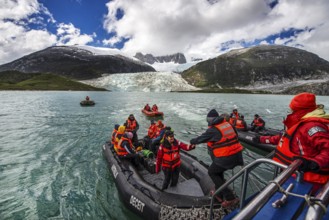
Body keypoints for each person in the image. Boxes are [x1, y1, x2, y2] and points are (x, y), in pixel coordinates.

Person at [257, 92, 329, 186]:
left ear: (300, 110)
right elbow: (284, 137)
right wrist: (262, 139)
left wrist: (314, 162)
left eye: (292, 110)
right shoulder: (299, 123)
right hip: (293, 172)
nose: (290, 111)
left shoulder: (312, 127)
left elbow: (327, 148)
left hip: (308, 179)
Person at [190, 109, 243, 208]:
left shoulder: (213, 130)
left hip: (227, 157)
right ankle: (219, 194)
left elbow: (199, 139)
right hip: (238, 156)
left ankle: (230, 197)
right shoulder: (228, 125)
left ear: (210, 120)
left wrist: (191, 141)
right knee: (219, 172)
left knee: (212, 172)